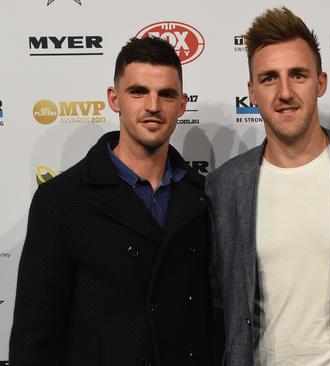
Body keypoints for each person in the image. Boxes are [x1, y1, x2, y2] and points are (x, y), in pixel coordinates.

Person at [206, 6, 330, 366]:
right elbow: (222, 301)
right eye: (269, 78)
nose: (285, 92)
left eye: (298, 75)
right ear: (251, 91)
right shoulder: (225, 186)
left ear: (321, 81)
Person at [10, 37, 220, 365]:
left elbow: (213, 317)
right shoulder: (62, 200)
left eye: (166, 94)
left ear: (182, 104)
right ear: (114, 98)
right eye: (138, 92)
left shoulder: (203, 196)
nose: (153, 105)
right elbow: (34, 337)